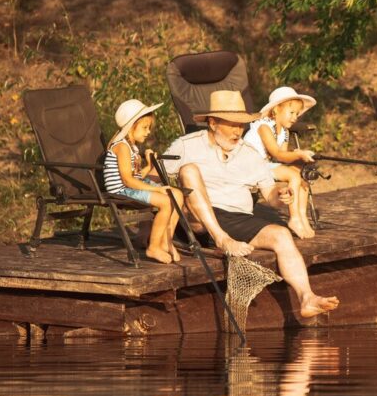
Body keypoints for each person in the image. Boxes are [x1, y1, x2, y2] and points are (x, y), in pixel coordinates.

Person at [161, 90, 339, 319]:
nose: (238, 131)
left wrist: (281, 193)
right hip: (198, 221)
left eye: (241, 125)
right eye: (232, 125)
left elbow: (270, 193)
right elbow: (155, 177)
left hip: (238, 219)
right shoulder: (187, 146)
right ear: (213, 123)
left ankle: (307, 298)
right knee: (189, 169)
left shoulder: (250, 154)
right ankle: (222, 239)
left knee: (281, 234)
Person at [103, 99, 185, 264]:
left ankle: (165, 241)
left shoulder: (132, 147)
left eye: (149, 128)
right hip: (120, 190)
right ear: (131, 126)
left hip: (129, 186)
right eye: (145, 127)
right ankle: (153, 247)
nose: (148, 132)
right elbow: (127, 180)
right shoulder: (122, 147)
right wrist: (156, 190)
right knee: (166, 202)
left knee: (177, 195)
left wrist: (148, 164)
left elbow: (136, 176)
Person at [243, 86, 317, 239]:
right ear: (276, 109)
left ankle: (302, 217)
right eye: (291, 113)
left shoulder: (284, 132)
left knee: (300, 173)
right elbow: (278, 154)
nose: (295, 117)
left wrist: (296, 155)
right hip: (250, 166)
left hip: (266, 165)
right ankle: (294, 218)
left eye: (297, 114)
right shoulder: (263, 126)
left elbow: (281, 156)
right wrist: (296, 155)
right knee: (292, 175)